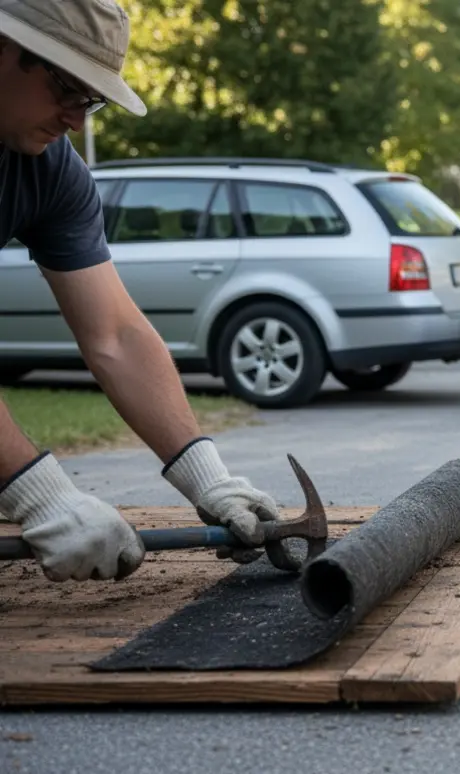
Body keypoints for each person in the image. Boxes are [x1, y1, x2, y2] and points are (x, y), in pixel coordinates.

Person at [0, 0, 281, 582]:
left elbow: (116, 334)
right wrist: (40, 495)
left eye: (90, 100)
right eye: (68, 91)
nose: (76, 120)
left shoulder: (49, 170)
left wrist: (206, 476)